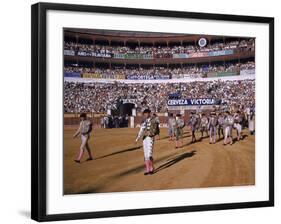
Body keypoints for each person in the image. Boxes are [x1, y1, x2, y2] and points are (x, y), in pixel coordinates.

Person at [135, 109, 158, 175]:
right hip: (144, 138)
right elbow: (141, 130)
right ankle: (148, 170)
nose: (145, 115)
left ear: (149, 113)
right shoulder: (143, 121)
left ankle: (152, 168)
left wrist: (150, 133)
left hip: (150, 138)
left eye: (146, 113)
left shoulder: (154, 120)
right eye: (144, 113)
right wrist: (137, 139)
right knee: (146, 155)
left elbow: (155, 129)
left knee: (149, 155)